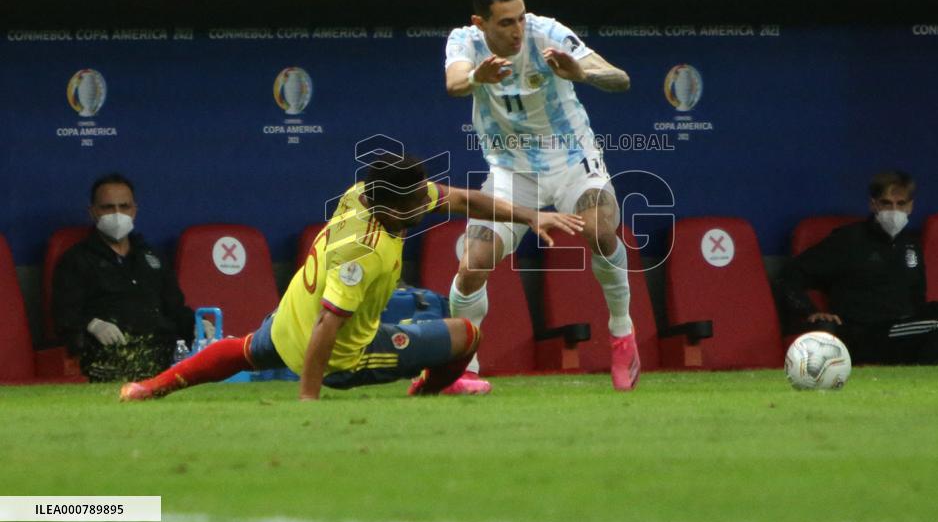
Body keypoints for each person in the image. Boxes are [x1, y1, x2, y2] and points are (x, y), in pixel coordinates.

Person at [120, 156, 584, 401]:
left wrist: (531, 215)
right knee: (467, 334)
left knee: (244, 350)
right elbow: (328, 325)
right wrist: (308, 397)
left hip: (286, 325)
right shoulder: (365, 251)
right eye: (414, 206)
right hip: (340, 357)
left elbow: (463, 200)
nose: (423, 208)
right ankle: (427, 388)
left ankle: (150, 387)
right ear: (387, 208)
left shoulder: (367, 194)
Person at [444, 0, 640, 391]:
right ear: (480, 22)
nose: (518, 30)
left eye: (520, 18)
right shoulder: (463, 40)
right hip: (511, 171)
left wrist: (581, 71)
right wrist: (479, 77)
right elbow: (454, 83)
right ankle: (463, 369)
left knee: (601, 230)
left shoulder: (547, 33)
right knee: (473, 262)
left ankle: (622, 335)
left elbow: (620, 78)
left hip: (572, 160)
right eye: (505, 23)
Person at [774, 171, 938, 365]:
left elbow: (916, 303)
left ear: (911, 206)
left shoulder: (910, 245)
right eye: (886, 203)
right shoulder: (848, 240)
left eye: (901, 204)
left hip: (904, 331)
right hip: (865, 334)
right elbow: (789, 276)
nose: (894, 210)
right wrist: (811, 311)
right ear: (873, 204)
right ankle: (920, 385)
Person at [53, 174, 204, 382]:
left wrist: (198, 325)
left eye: (124, 207)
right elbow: (64, 316)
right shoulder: (75, 260)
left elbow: (175, 309)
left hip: (164, 357)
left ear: (134, 210)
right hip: (108, 362)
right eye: (108, 207)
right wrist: (92, 325)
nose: (117, 214)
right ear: (93, 212)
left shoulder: (152, 257)